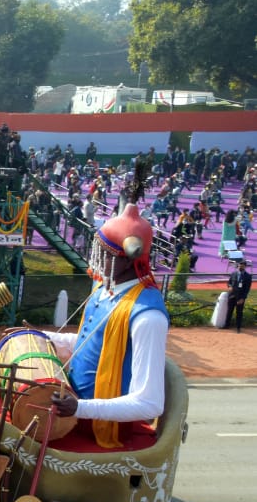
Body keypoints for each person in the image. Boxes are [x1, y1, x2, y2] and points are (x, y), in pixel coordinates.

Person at [47, 174, 170, 449]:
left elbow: (149, 403)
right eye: (97, 250)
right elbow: (87, 345)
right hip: (74, 411)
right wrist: (41, 336)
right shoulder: (105, 288)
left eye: (104, 253)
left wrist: (80, 408)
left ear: (128, 260)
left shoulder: (147, 316)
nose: (95, 259)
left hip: (103, 431)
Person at [226, 259, 252, 332]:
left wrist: (243, 298)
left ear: (245, 267)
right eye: (239, 265)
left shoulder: (248, 276)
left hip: (240, 297)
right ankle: (227, 325)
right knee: (229, 311)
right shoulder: (233, 273)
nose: (240, 266)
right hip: (232, 295)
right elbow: (229, 282)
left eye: (242, 265)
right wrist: (230, 286)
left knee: (239, 312)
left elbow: (247, 289)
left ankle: (238, 327)